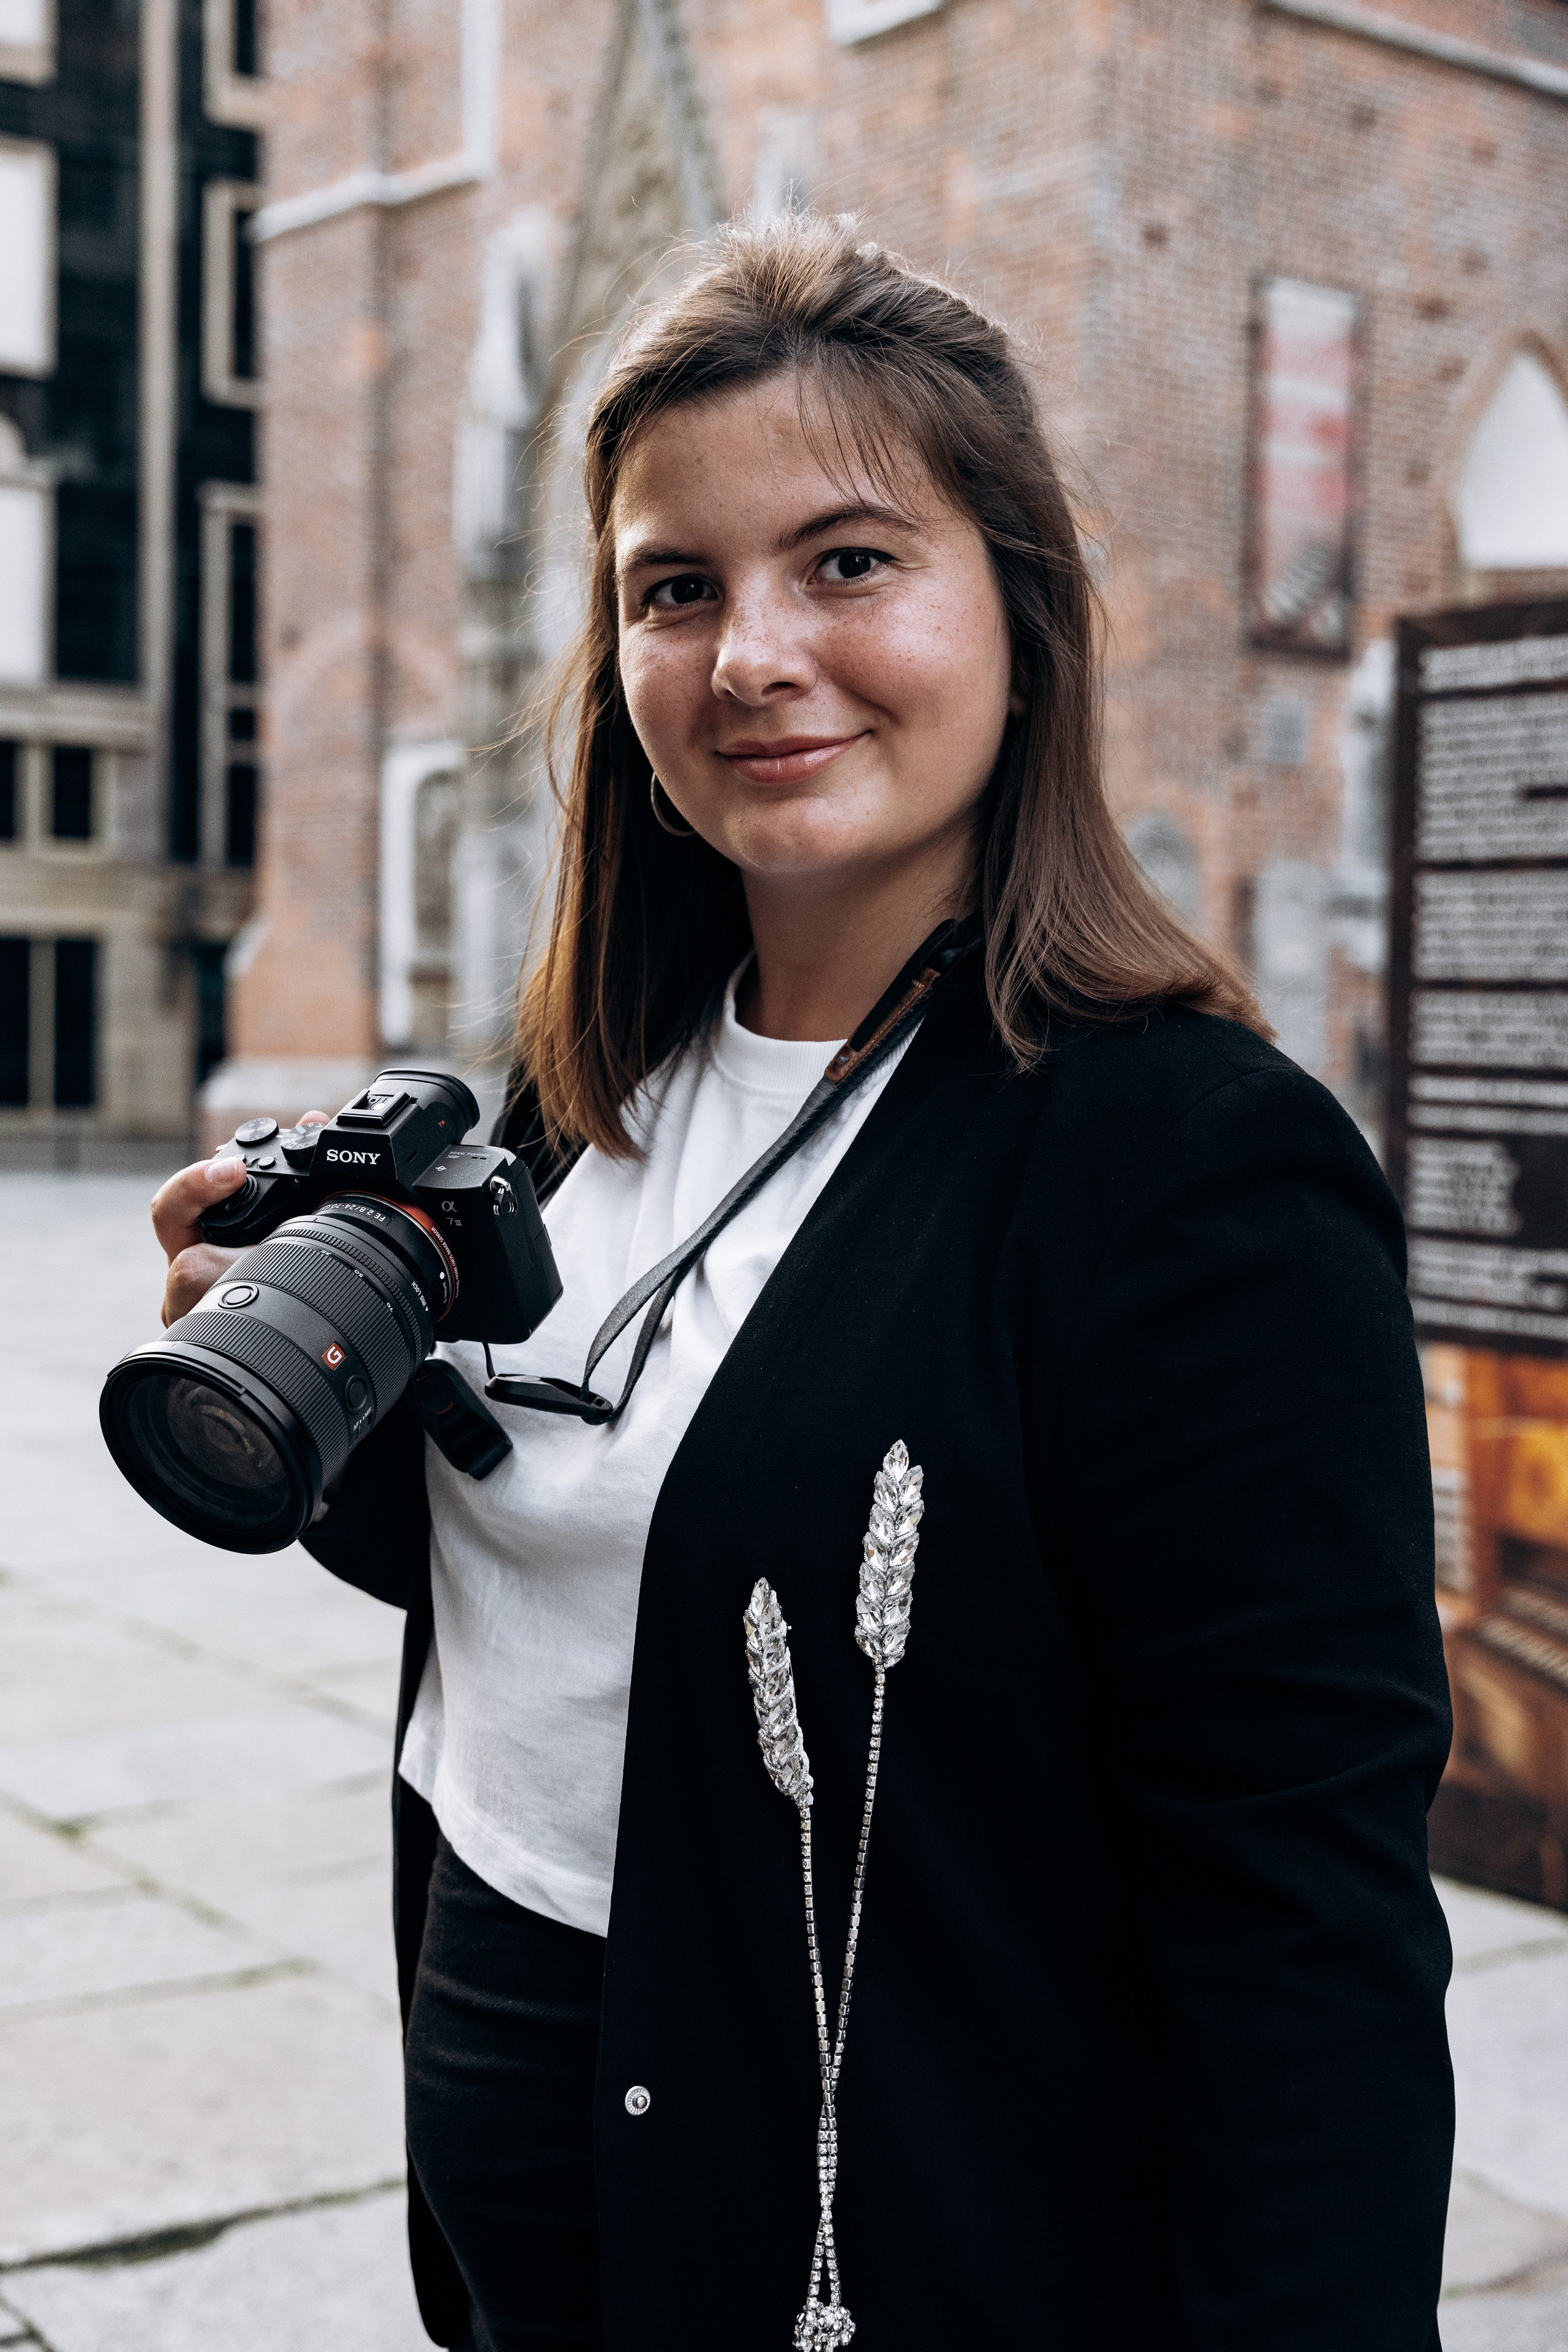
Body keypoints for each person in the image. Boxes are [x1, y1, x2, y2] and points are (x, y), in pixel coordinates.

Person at [153, 213, 1454, 2352]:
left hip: (878, 2208)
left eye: (849, 562)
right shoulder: (582, 1089)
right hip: (509, 2139)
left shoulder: (1187, 1167)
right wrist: (298, 1386)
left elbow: (1303, 1933)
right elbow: (558, 1569)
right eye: (676, 588)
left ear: (1017, 617)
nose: (751, 651)